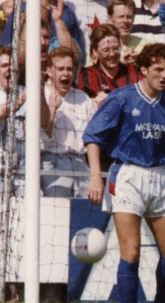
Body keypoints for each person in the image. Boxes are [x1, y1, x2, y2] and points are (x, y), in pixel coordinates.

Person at [83, 43, 165, 303]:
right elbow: (92, 137)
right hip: (128, 175)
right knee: (130, 252)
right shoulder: (122, 98)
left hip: (160, 176)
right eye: (158, 69)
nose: (164, 74)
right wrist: (96, 175)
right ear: (143, 70)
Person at [0, 47, 50, 197]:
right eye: (4, 65)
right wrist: (19, 101)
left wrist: (40, 91)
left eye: (12, 65)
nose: (9, 69)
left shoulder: (25, 90)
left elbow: (44, 122)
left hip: (23, 172)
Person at [42, 47, 97, 198]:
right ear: (49, 71)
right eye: (60, 69)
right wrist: (52, 109)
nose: (65, 73)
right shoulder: (41, 95)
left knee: (86, 211)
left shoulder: (83, 98)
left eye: (69, 69)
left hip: (81, 163)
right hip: (52, 161)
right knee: (57, 213)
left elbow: (94, 137)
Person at [77, 24, 140, 106]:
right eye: (106, 50)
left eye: (116, 48)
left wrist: (109, 98)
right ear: (95, 51)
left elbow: (142, 102)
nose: (112, 54)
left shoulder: (133, 72)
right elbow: (94, 107)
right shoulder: (88, 74)